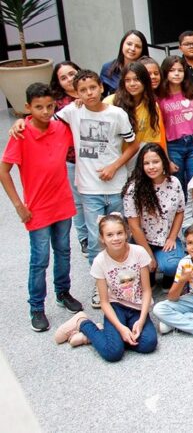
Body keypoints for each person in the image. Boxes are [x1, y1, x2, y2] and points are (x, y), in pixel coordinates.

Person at [0, 83, 83, 331]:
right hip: (37, 208)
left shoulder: (61, 128)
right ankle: (36, 307)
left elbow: (79, 125)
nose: (45, 112)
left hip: (62, 203)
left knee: (64, 251)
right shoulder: (21, 133)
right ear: (28, 108)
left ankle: (63, 292)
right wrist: (18, 205)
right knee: (40, 260)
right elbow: (4, 171)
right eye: (38, 108)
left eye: (49, 106)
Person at [56, 70, 138, 307]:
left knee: (121, 235)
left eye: (93, 87)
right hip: (89, 188)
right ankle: (99, 286)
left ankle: (124, 284)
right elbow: (45, 121)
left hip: (116, 185)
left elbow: (132, 145)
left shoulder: (117, 114)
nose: (89, 93)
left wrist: (114, 166)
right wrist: (21, 121)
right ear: (76, 93)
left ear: (102, 87)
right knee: (95, 239)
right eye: (83, 90)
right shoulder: (73, 111)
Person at [54, 214, 157, 361]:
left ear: (127, 234)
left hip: (138, 306)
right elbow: (104, 301)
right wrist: (121, 329)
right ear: (102, 238)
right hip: (116, 306)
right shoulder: (99, 261)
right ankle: (83, 323)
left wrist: (141, 321)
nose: (116, 238)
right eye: (110, 235)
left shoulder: (139, 252)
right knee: (113, 353)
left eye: (119, 233)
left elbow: (147, 290)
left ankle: (100, 336)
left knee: (149, 344)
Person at [122, 143, 185, 288]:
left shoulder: (174, 183)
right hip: (142, 240)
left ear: (164, 162)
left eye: (155, 162)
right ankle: (149, 271)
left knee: (172, 265)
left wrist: (172, 237)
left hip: (165, 239)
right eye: (146, 163)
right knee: (142, 277)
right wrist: (148, 255)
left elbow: (180, 212)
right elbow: (134, 226)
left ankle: (167, 279)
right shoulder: (133, 189)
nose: (151, 167)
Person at [49, 61, 87, 256]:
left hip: (94, 158)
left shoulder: (91, 91)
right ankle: (84, 238)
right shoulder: (57, 103)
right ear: (58, 83)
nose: (69, 79)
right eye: (63, 77)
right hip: (71, 158)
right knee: (78, 201)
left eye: (72, 73)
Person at [157, 55, 193, 194]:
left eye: (180, 70)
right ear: (165, 72)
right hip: (173, 145)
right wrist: (166, 159)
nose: (177, 74)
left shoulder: (192, 93)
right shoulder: (160, 97)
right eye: (172, 70)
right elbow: (160, 129)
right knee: (176, 184)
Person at [104, 61, 167, 169]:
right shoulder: (110, 102)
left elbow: (150, 141)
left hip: (137, 160)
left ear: (145, 81)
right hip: (112, 159)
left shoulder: (152, 105)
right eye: (127, 80)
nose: (132, 84)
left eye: (137, 79)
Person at [100, 30, 149, 96]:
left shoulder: (147, 69)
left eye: (137, 46)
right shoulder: (107, 68)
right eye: (129, 44)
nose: (132, 48)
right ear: (122, 44)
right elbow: (101, 96)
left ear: (142, 50)